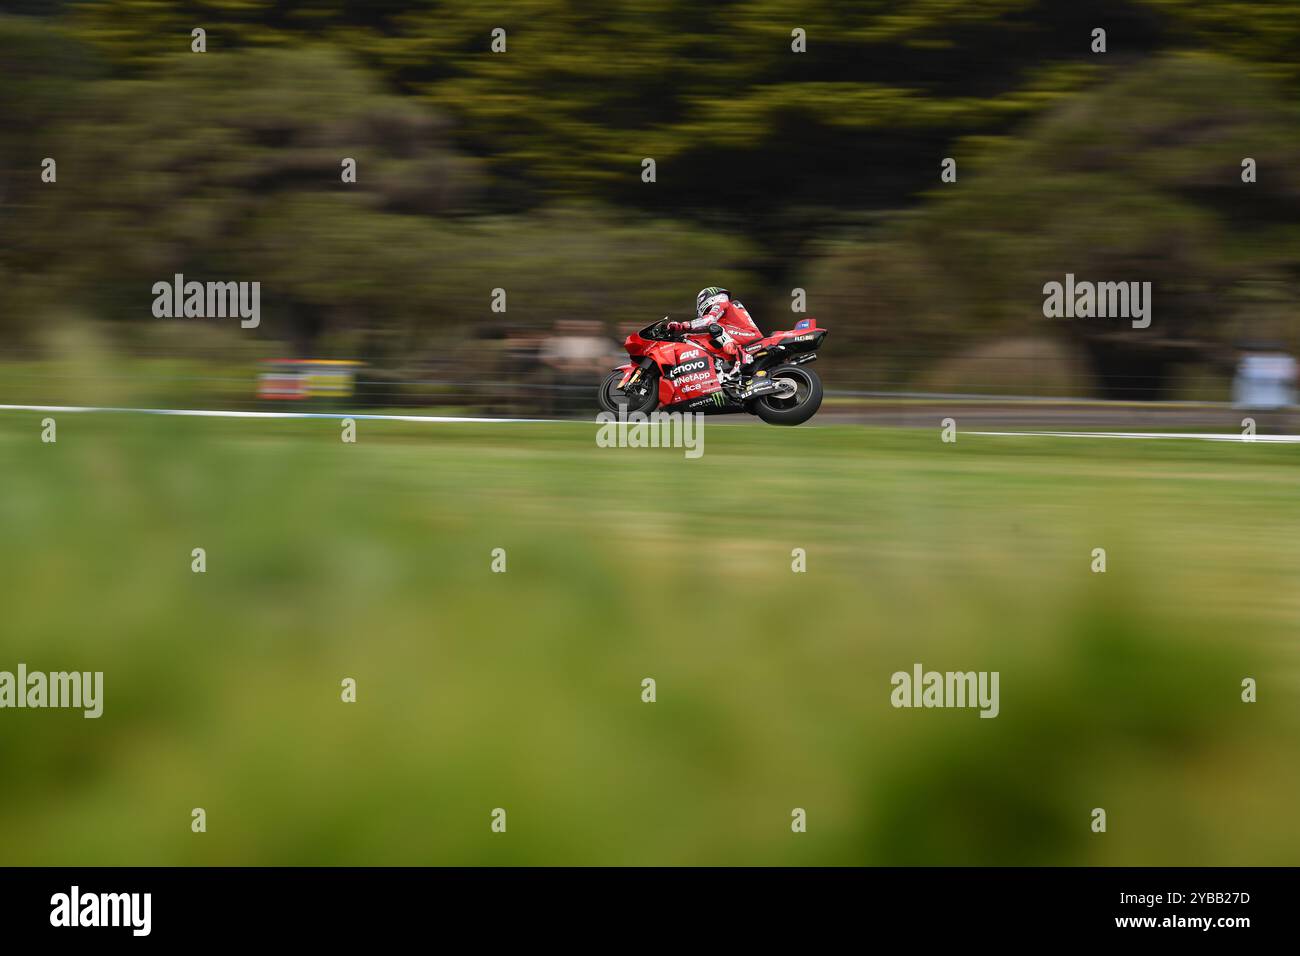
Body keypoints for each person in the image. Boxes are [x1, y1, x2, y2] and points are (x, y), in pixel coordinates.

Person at [665, 287, 762, 385]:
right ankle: (717, 369)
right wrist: (686, 337)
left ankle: (741, 361)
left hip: (749, 334)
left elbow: (709, 320)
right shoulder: (726, 309)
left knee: (715, 328)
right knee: (692, 337)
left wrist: (683, 325)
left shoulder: (722, 302)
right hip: (738, 334)